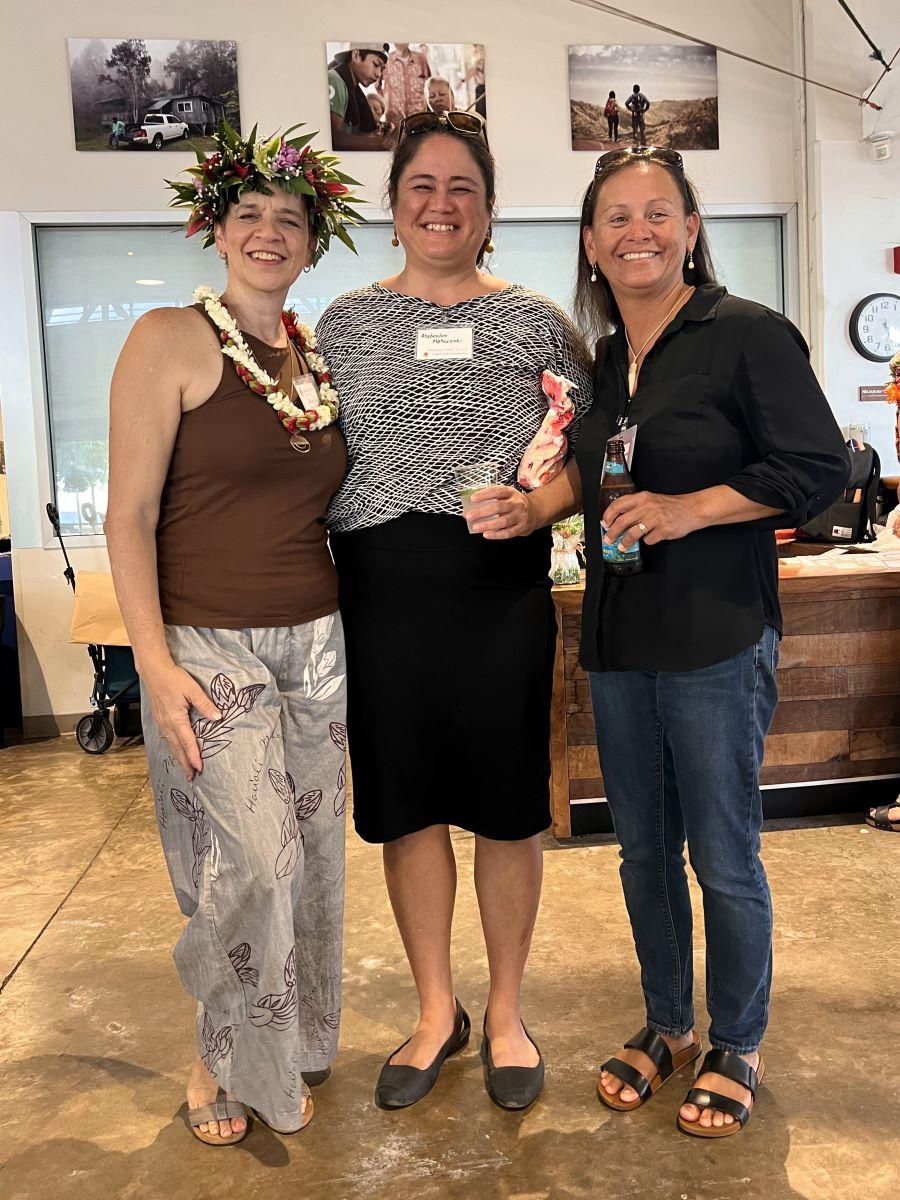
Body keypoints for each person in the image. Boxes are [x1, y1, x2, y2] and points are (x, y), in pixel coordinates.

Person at [315, 109, 592, 1115]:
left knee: (509, 809)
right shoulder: (341, 325)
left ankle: (507, 1012)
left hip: (498, 588)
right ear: (393, 207)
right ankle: (438, 1011)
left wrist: (539, 508)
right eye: (422, 187)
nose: (441, 205)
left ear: (488, 208)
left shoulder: (538, 321)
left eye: (461, 188)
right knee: (408, 807)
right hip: (380, 591)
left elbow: (592, 453)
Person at [573, 145, 850, 1138]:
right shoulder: (603, 362)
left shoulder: (746, 335)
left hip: (717, 638)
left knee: (724, 857)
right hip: (619, 636)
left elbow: (821, 466)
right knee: (642, 855)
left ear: (690, 229)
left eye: (659, 212)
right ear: (592, 243)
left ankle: (737, 1038)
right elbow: (592, 477)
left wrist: (690, 509)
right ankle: (668, 1023)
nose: (637, 231)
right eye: (616, 216)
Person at [105, 121, 361, 1145]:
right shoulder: (168, 338)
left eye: (290, 219)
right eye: (248, 213)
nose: (268, 232)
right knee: (254, 859)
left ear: (312, 242)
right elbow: (127, 515)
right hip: (207, 640)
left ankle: (287, 1040)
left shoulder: (314, 357)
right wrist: (152, 662)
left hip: (318, 640)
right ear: (215, 229)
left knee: (312, 861)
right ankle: (216, 1050)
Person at [328, 43, 391, 151]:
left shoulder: (354, 91)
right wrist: (387, 143)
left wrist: (372, 135)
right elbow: (333, 138)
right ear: (356, 55)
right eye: (376, 64)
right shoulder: (335, 81)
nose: (379, 74)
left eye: (382, 69)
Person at [382, 42, 431, 129]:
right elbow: (377, 85)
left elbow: (429, 84)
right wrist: (387, 102)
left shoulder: (421, 59)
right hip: (394, 120)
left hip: (419, 117)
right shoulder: (386, 60)